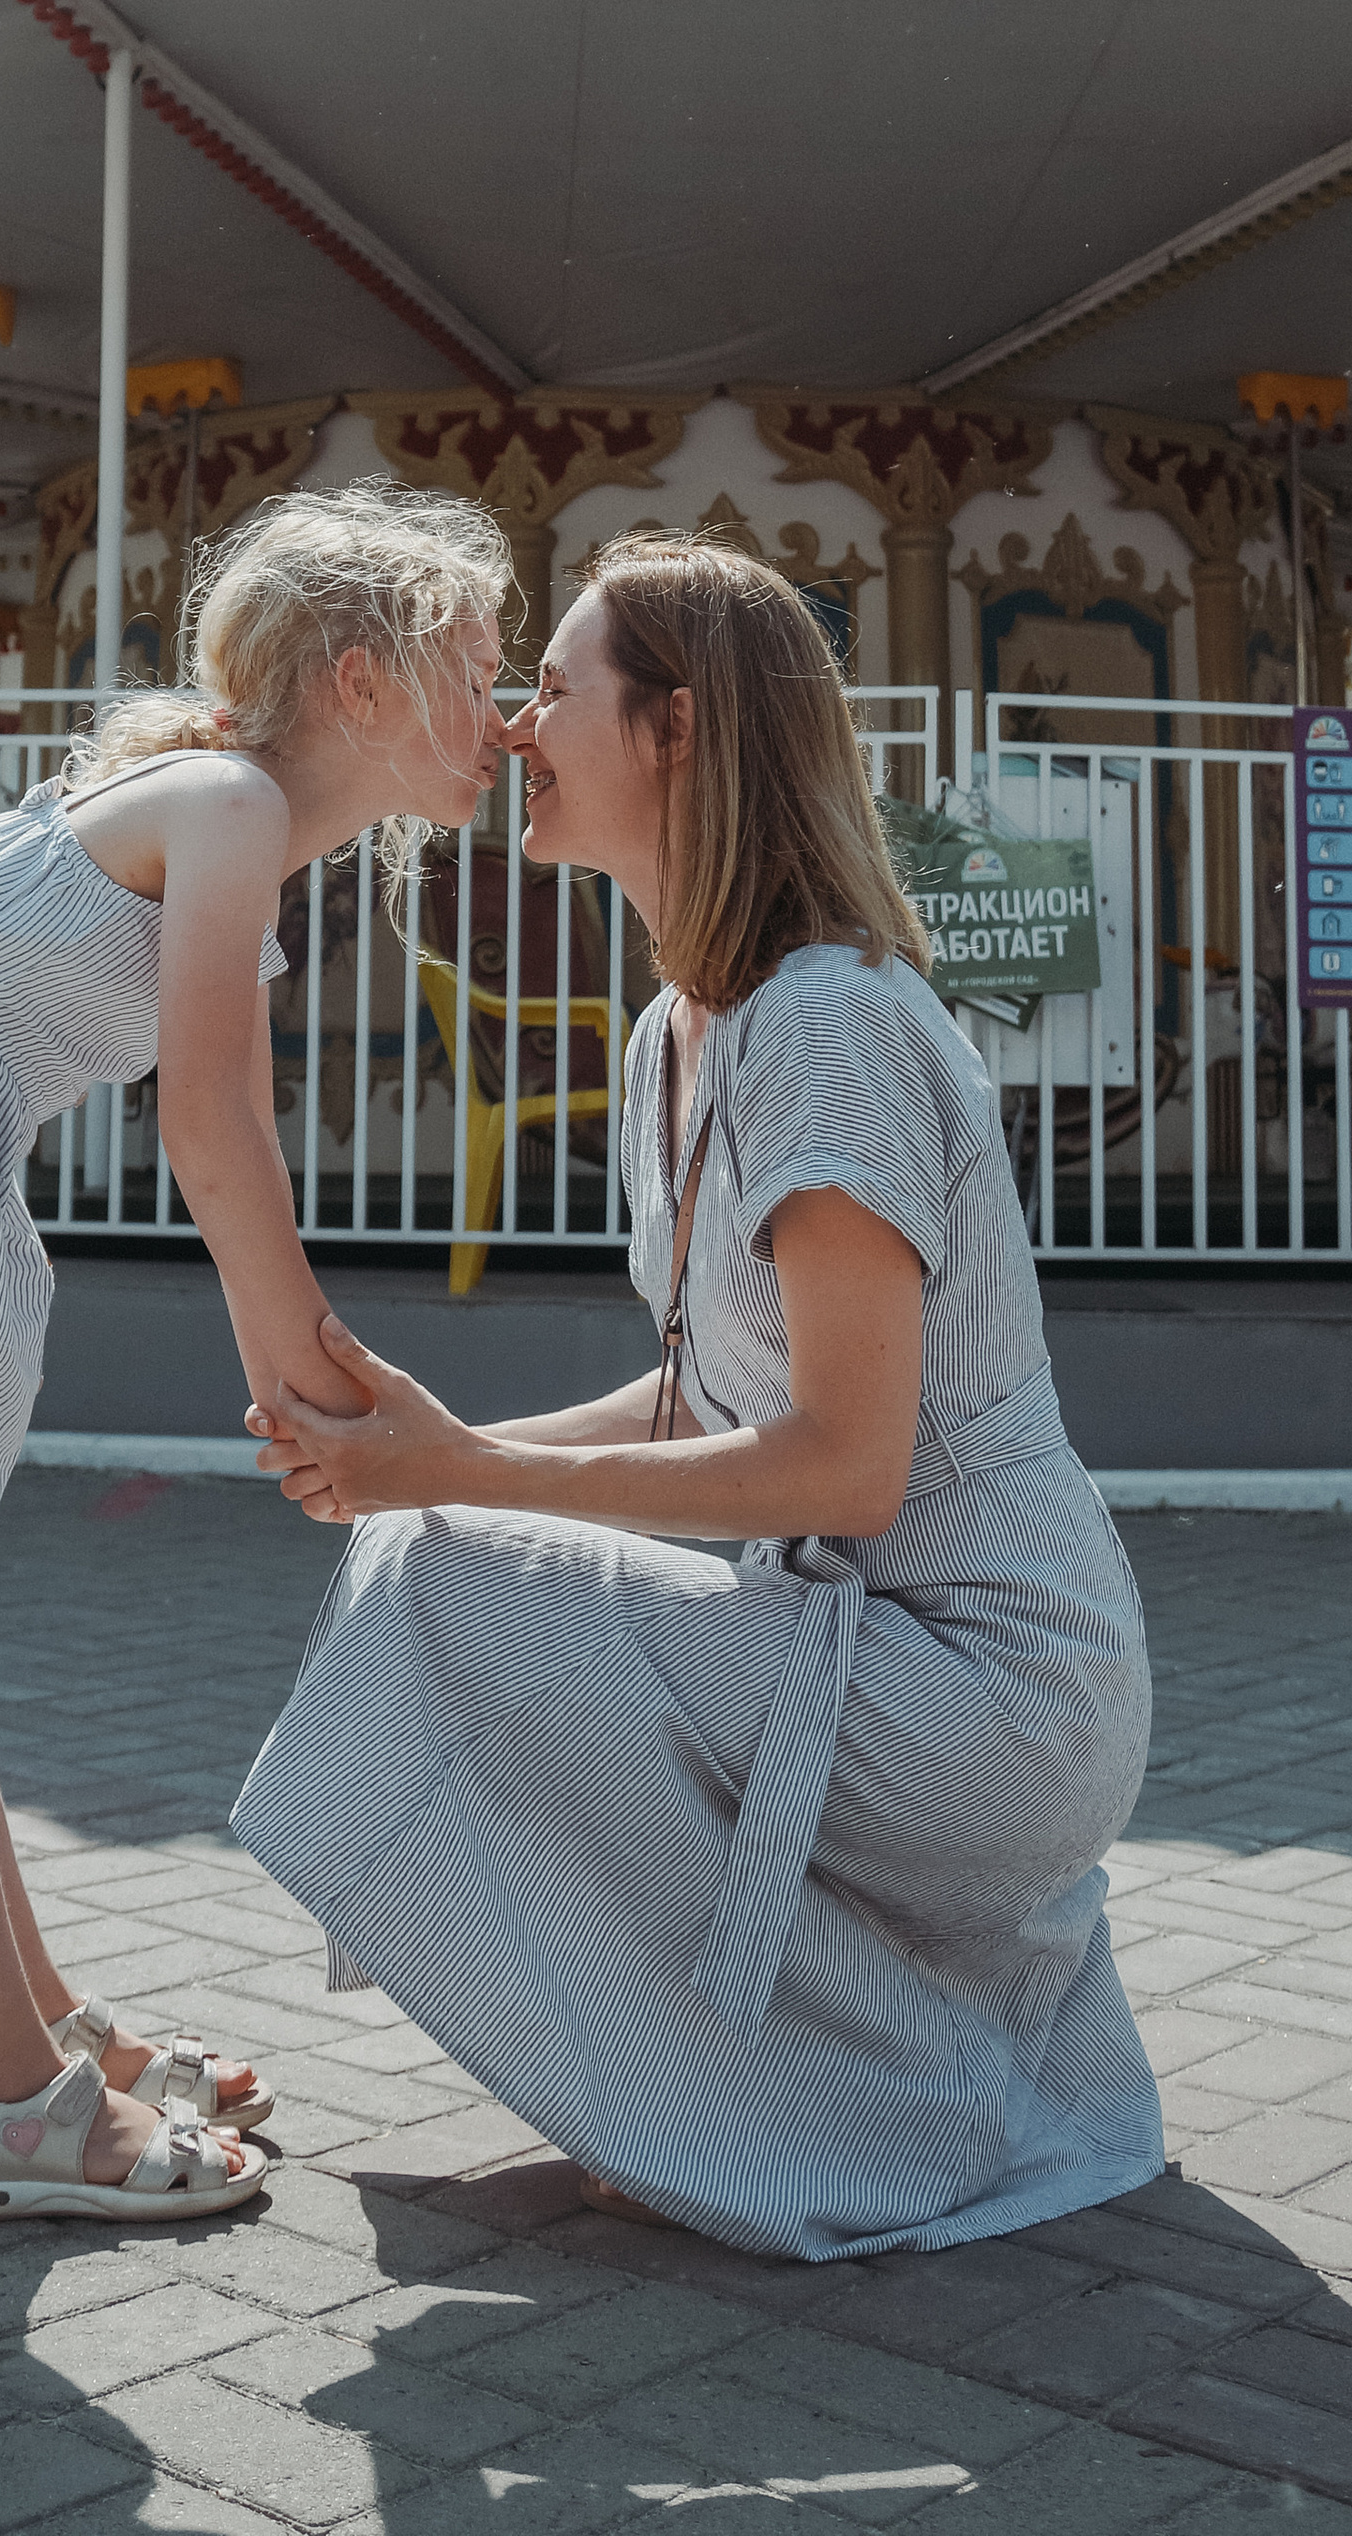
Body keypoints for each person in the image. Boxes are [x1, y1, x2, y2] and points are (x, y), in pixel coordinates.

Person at [235, 534, 1164, 2261]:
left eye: (559, 690)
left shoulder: (827, 1025)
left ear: (674, 731)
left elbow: (844, 1463)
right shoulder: (688, 1028)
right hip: (866, 1647)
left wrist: (463, 1484)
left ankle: (711, 2110)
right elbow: (702, 1401)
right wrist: (431, 1457)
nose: (517, 726)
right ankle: (699, 2098)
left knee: (458, 1575)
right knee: (436, 1540)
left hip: (996, 1691)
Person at [0, 483, 509, 2223]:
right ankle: (1, 2100)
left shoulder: (236, 827)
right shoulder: (224, 798)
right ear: (359, 684)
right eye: (480, 662)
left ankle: (41, 2035)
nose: (507, 709)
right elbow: (211, 1117)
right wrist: (302, 1372)